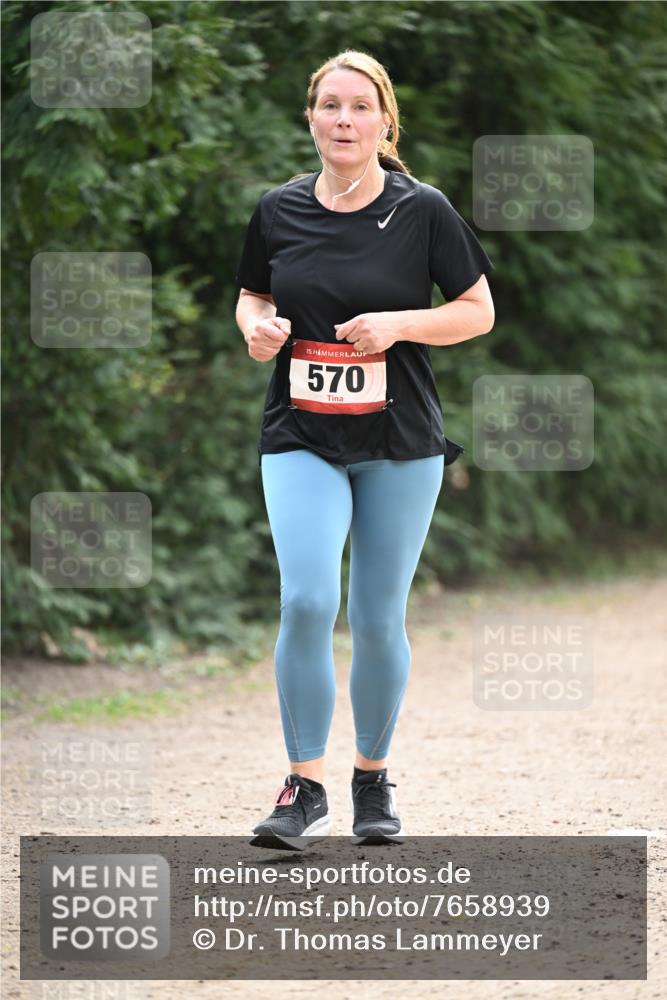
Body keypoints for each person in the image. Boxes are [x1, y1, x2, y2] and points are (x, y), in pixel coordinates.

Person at [234, 50, 495, 851]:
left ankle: (371, 781)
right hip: (302, 432)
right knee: (308, 600)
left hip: (398, 438)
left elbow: (477, 310)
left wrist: (399, 324)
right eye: (329, 107)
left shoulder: (423, 210)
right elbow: (252, 295)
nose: (343, 121)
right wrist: (257, 330)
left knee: (377, 615)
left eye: (359, 107)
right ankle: (302, 788)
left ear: (385, 121)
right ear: (309, 117)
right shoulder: (278, 209)